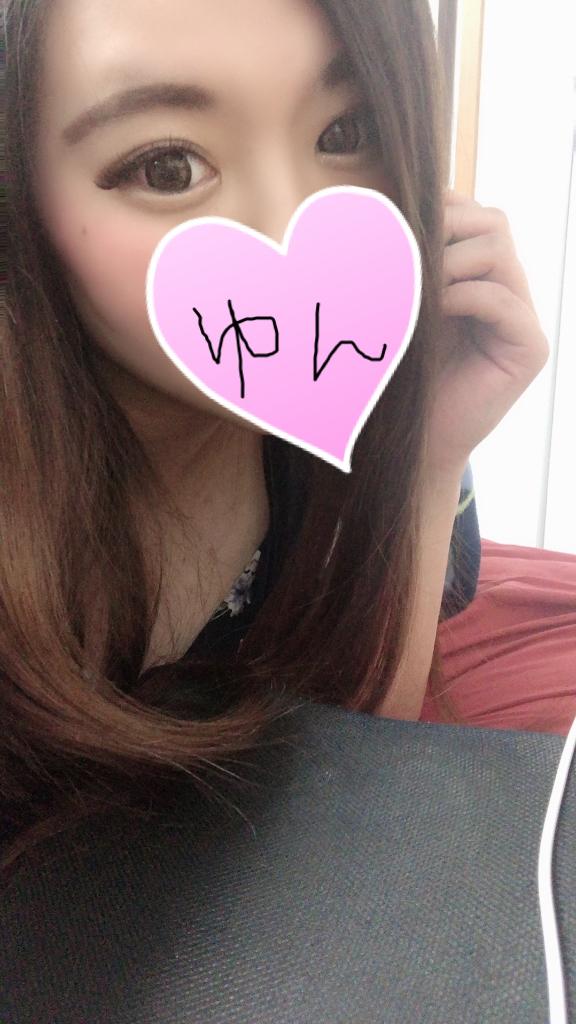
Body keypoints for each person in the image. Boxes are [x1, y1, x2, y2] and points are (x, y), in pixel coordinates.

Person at [1, 0, 548, 880]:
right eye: (169, 167)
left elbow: (347, 776)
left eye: (346, 132)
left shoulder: (349, 399)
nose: (290, 227)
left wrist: (425, 456)